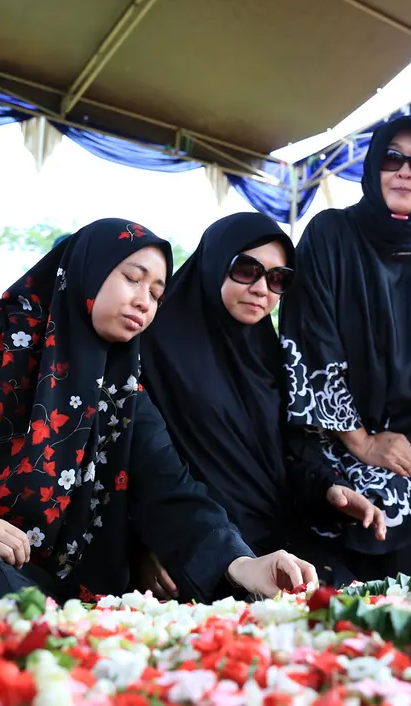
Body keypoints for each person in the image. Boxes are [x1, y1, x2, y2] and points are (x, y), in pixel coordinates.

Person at [0, 219, 315, 603]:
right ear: (87, 268)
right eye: (132, 278)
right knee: (6, 605)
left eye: (157, 293)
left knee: (49, 618)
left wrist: (244, 563)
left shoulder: (123, 392)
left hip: (31, 579)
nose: (144, 301)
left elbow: (173, 490)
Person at [279, 115, 411, 581]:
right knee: (320, 615)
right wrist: (361, 440)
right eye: (392, 157)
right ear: (373, 165)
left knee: (396, 616)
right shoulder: (331, 233)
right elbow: (312, 341)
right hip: (328, 462)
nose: (405, 171)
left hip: (403, 471)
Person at [141, 213, 385, 594]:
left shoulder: (272, 356)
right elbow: (136, 456)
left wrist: (329, 489)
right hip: (197, 551)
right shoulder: (153, 345)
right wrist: (147, 542)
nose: (262, 288)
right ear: (214, 263)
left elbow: (290, 453)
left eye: (277, 278)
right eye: (246, 269)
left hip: (279, 544)